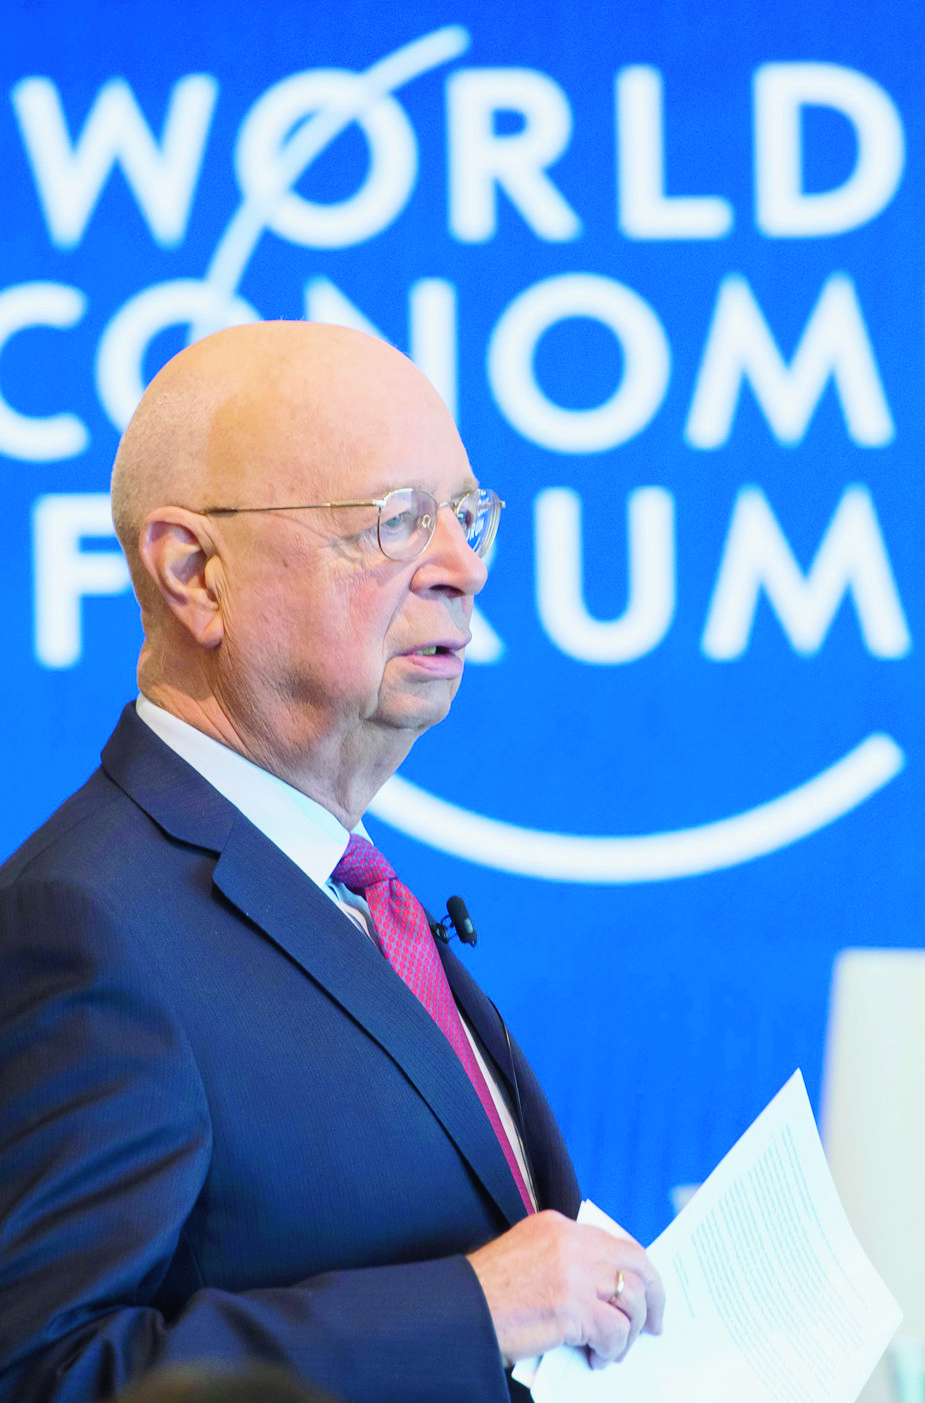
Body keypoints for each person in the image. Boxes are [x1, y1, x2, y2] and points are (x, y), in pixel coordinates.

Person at [0, 322, 663, 1403]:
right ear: (194, 572)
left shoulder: (348, 889)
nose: (463, 566)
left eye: (466, 513)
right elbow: (46, 1374)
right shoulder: (82, 925)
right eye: (394, 520)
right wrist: (475, 1309)